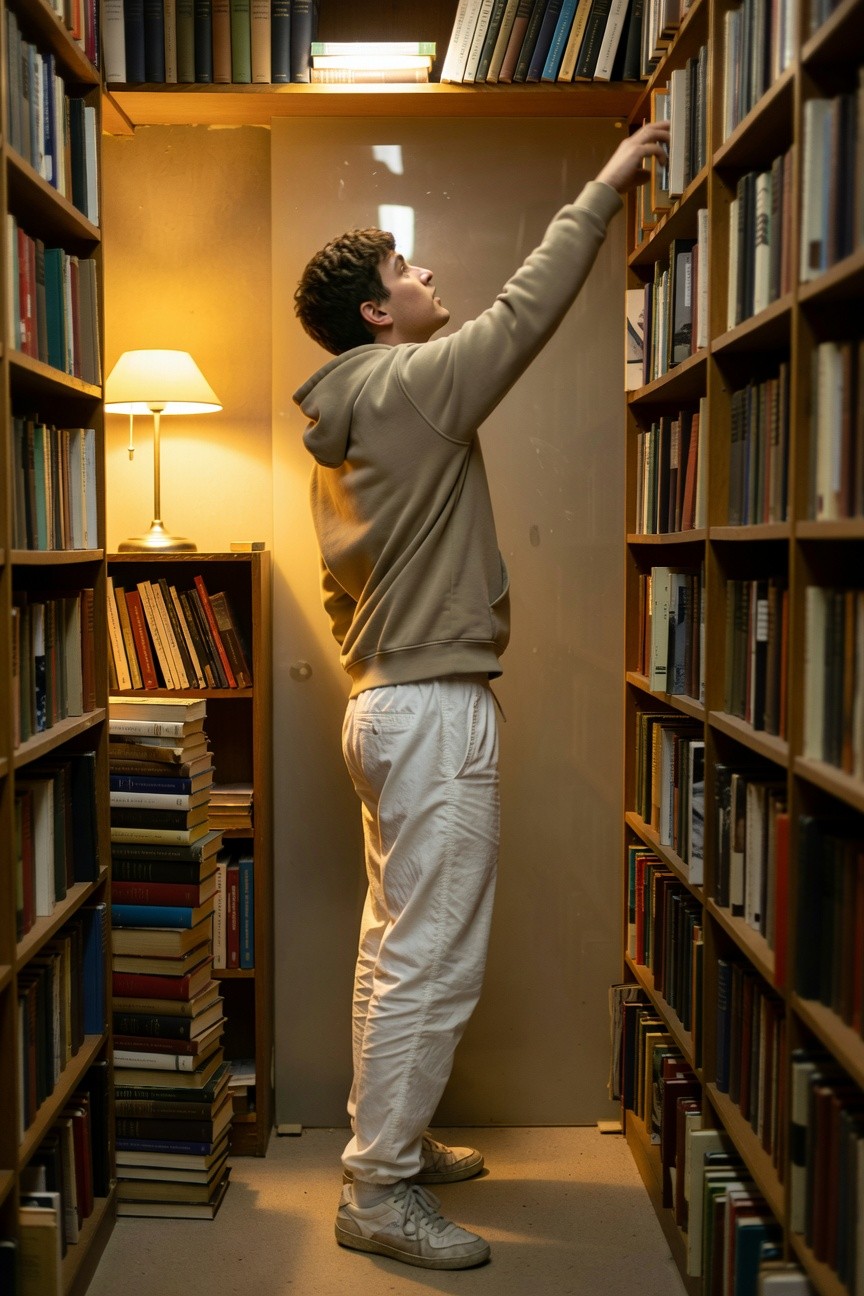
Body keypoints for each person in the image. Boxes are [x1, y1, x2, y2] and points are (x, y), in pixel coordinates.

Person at [292, 119, 671, 1273]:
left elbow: (339, 583)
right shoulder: (409, 385)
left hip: (383, 709)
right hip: (432, 710)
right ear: (376, 311)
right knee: (430, 958)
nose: (427, 276)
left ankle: (385, 1145)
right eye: (407, 271)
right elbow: (523, 316)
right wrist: (606, 187)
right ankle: (377, 1189)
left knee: (390, 946)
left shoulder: (349, 412)